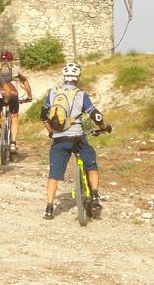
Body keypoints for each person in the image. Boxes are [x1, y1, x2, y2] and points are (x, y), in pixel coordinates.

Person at [40, 61, 111, 220]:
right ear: (78, 78)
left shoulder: (52, 93)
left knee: (53, 174)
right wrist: (103, 126)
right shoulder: (81, 95)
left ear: (63, 77)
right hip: (77, 137)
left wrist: (52, 133)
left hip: (59, 140)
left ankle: (49, 208)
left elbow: (43, 117)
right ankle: (95, 196)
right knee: (91, 163)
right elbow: (96, 115)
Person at [0, 51, 32, 156]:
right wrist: (29, 96)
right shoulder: (15, 69)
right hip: (12, 94)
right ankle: (12, 143)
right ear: (12, 60)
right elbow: (25, 82)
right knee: (14, 117)